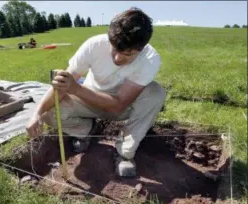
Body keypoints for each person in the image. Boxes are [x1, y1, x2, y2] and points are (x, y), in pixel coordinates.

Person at [25, 7, 166, 177]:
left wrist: (76, 88)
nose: (117, 58)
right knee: (50, 112)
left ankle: (124, 153)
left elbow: (118, 105)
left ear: (141, 49)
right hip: (88, 102)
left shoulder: (150, 59)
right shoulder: (94, 45)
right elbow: (62, 84)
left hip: (123, 108)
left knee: (155, 93)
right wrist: (37, 113)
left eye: (127, 54)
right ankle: (86, 130)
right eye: (114, 49)